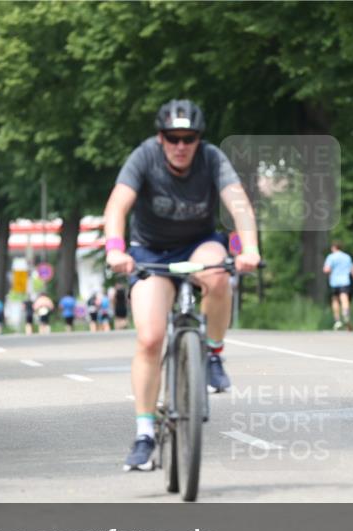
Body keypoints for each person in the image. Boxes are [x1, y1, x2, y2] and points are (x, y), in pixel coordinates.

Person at [103, 99, 260, 471]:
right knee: (150, 338)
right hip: (150, 251)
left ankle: (213, 353)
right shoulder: (144, 157)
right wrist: (115, 249)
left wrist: (249, 248)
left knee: (220, 276)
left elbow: (239, 206)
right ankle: (144, 434)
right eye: (172, 138)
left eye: (188, 138)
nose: (180, 146)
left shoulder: (211, 159)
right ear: (160, 138)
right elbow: (116, 207)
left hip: (198, 243)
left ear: (198, 139)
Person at [323, 241, 353, 330]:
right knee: (344, 299)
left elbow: (326, 270)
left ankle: (337, 320)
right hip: (345, 281)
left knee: (335, 300)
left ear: (333, 248)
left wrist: (330, 273)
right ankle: (346, 315)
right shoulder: (347, 257)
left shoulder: (331, 257)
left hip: (334, 282)